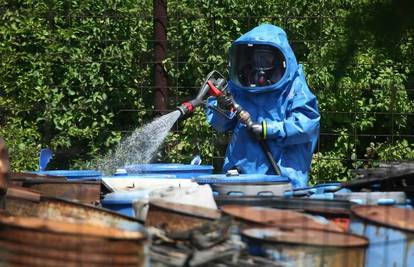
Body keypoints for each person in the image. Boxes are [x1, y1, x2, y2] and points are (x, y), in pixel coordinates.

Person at [205, 24, 320, 188]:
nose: (261, 64)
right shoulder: (240, 84)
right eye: (257, 58)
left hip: (283, 178)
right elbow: (219, 125)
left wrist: (268, 129)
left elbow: (307, 125)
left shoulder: (293, 87)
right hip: (241, 176)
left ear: (281, 59)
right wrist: (222, 106)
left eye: (266, 58)